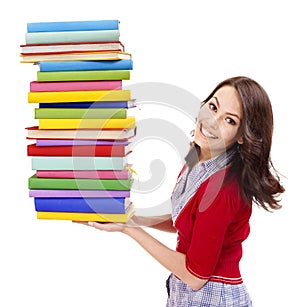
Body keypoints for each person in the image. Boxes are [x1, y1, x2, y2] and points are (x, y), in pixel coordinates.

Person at [75, 76, 285, 306]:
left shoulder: (224, 190)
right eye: (213, 107)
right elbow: (185, 221)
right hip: (186, 293)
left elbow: (195, 276)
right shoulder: (197, 155)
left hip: (213, 298)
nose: (212, 121)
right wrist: (127, 216)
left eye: (230, 121)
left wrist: (128, 229)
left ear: (244, 136)